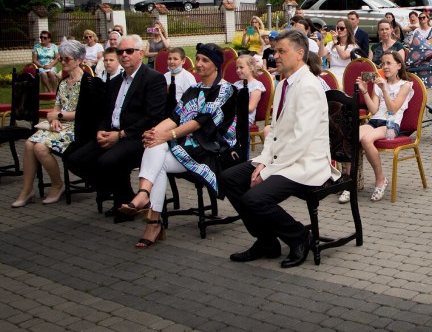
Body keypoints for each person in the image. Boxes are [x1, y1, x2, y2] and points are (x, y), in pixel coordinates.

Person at [222, 29, 339, 268]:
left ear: (300, 54)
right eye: (275, 50)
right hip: (282, 158)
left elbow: (300, 140)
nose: (275, 55)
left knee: (255, 198)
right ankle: (266, 241)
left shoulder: (308, 86)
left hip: (306, 163)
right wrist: (263, 161)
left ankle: (299, 237)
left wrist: (266, 171)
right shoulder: (285, 83)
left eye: (281, 51)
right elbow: (273, 130)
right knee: (229, 179)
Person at [119, 43, 238, 248]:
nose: (198, 64)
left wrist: (166, 135)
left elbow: (201, 121)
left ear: (216, 65)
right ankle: (146, 201)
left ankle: (150, 215)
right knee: (154, 148)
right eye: (198, 59)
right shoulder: (193, 90)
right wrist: (154, 132)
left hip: (208, 149)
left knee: (158, 152)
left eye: (204, 60)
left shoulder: (226, 90)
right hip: (185, 145)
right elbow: (175, 117)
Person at [65, 34, 167, 221]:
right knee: (74, 159)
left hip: (137, 137)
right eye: (121, 52)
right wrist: (101, 130)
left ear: (141, 53)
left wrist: (120, 135)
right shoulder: (116, 81)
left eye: (129, 51)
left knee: (107, 162)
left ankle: (124, 201)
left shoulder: (153, 79)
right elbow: (105, 112)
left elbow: (153, 117)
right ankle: (122, 194)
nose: (124, 55)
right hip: (112, 133)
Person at [12, 40, 86, 207]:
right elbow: (55, 109)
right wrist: (53, 120)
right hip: (60, 126)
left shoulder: (87, 83)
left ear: (79, 60)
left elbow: (84, 113)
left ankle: (57, 184)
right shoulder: (63, 84)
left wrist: (58, 115)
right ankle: (27, 189)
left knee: (40, 146)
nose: (63, 62)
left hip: (78, 127)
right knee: (30, 143)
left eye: (67, 59)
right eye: (62, 59)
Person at [353, 52, 414, 203]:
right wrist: (365, 91)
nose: (385, 67)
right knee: (351, 136)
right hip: (375, 121)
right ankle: (350, 182)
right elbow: (374, 110)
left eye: (388, 63)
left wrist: (385, 89)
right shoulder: (379, 84)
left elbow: (392, 109)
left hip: (391, 124)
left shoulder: (405, 85)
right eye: (383, 64)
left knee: (367, 140)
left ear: (398, 66)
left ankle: (380, 180)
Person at [235, 54, 266, 125]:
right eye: (237, 68)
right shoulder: (236, 84)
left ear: (251, 68)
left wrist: (232, 109)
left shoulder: (256, 86)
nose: (238, 70)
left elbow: (251, 107)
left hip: (245, 119)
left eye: (241, 67)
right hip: (233, 116)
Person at [326, 19, 358, 86]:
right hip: (332, 72)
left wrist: (336, 42)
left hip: (345, 73)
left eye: (342, 28)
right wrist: (322, 39)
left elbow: (343, 56)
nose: (339, 30)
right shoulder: (331, 44)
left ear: (348, 30)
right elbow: (321, 54)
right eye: (337, 28)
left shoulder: (352, 46)